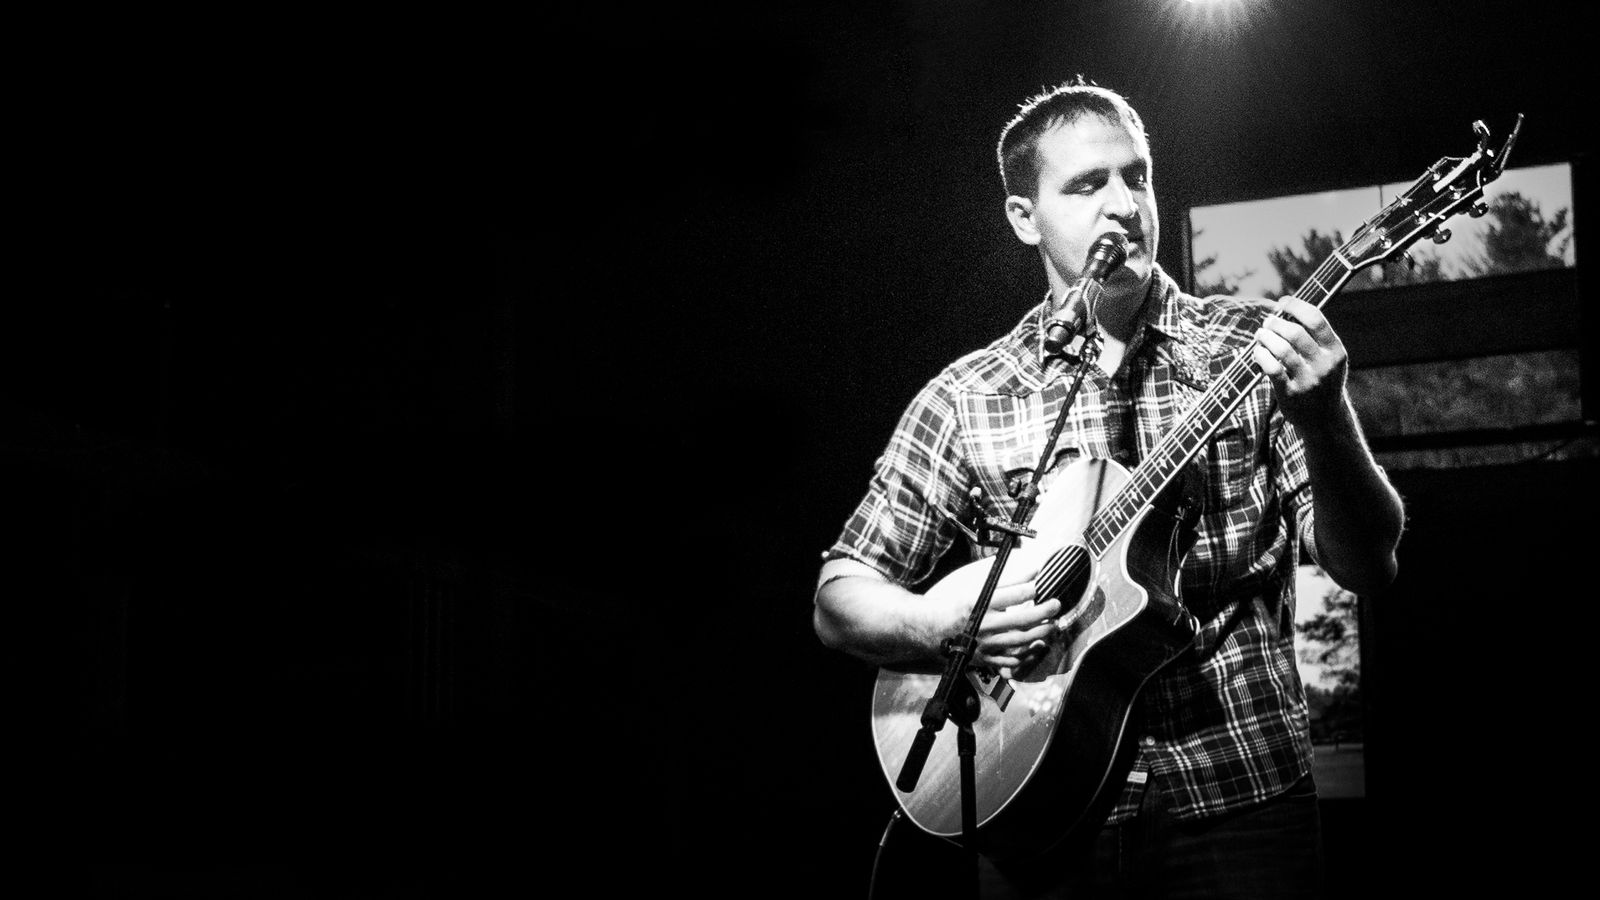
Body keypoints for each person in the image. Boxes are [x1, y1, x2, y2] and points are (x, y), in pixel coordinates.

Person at [812, 78, 1404, 898]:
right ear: (1025, 217)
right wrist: (940, 624)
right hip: (1035, 808)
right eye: (1088, 185)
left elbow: (1368, 564)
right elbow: (839, 598)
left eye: (1138, 177)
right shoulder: (968, 395)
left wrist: (1327, 417)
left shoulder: (1251, 348)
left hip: (1240, 795)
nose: (1124, 206)